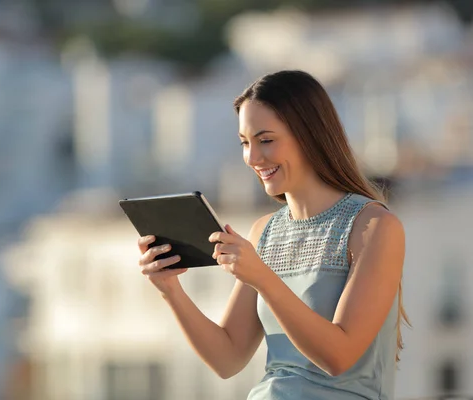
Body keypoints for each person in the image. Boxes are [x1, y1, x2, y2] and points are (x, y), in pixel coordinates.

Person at [137, 70, 409, 399]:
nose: (252, 158)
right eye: (245, 143)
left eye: (266, 140)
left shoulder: (374, 226)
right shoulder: (264, 231)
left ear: (310, 135)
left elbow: (339, 357)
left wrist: (263, 278)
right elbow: (227, 359)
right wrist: (170, 290)